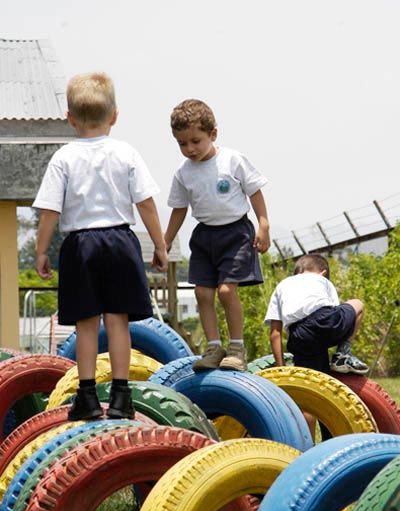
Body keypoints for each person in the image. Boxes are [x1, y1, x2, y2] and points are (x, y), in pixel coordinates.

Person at [33, 72, 168, 421]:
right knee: (119, 321)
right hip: (121, 241)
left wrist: (41, 250)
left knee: (86, 325)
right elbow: (147, 203)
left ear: (70, 119)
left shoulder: (64, 157)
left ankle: (88, 398)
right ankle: (122, 397)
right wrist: (160, 244)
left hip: (80, 245)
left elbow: (51, 209)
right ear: (115, 115)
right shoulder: (126, 152)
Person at [164, 98, 270, 371]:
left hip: (235, 233)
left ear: (213, 134)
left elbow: (255, 192)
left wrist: (264, 224)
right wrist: (164, 241)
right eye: (182, 144)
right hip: (204, 236)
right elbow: (179, 209)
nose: (189, 149)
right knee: (201, 292)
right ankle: (213, 347)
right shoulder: (183, 173)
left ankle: (236, 347)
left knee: (226, 291)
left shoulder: (231, 160)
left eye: (196, 141)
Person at [265, 253, 369, 375]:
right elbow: (333, 310)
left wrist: (280, 368)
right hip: (324, 321)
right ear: (323, 273)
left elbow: (275, 333)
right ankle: (343, 354)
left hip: (299, 337)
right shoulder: (322, 280)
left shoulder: (281, 285)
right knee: (358, 304)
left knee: (314, 377)